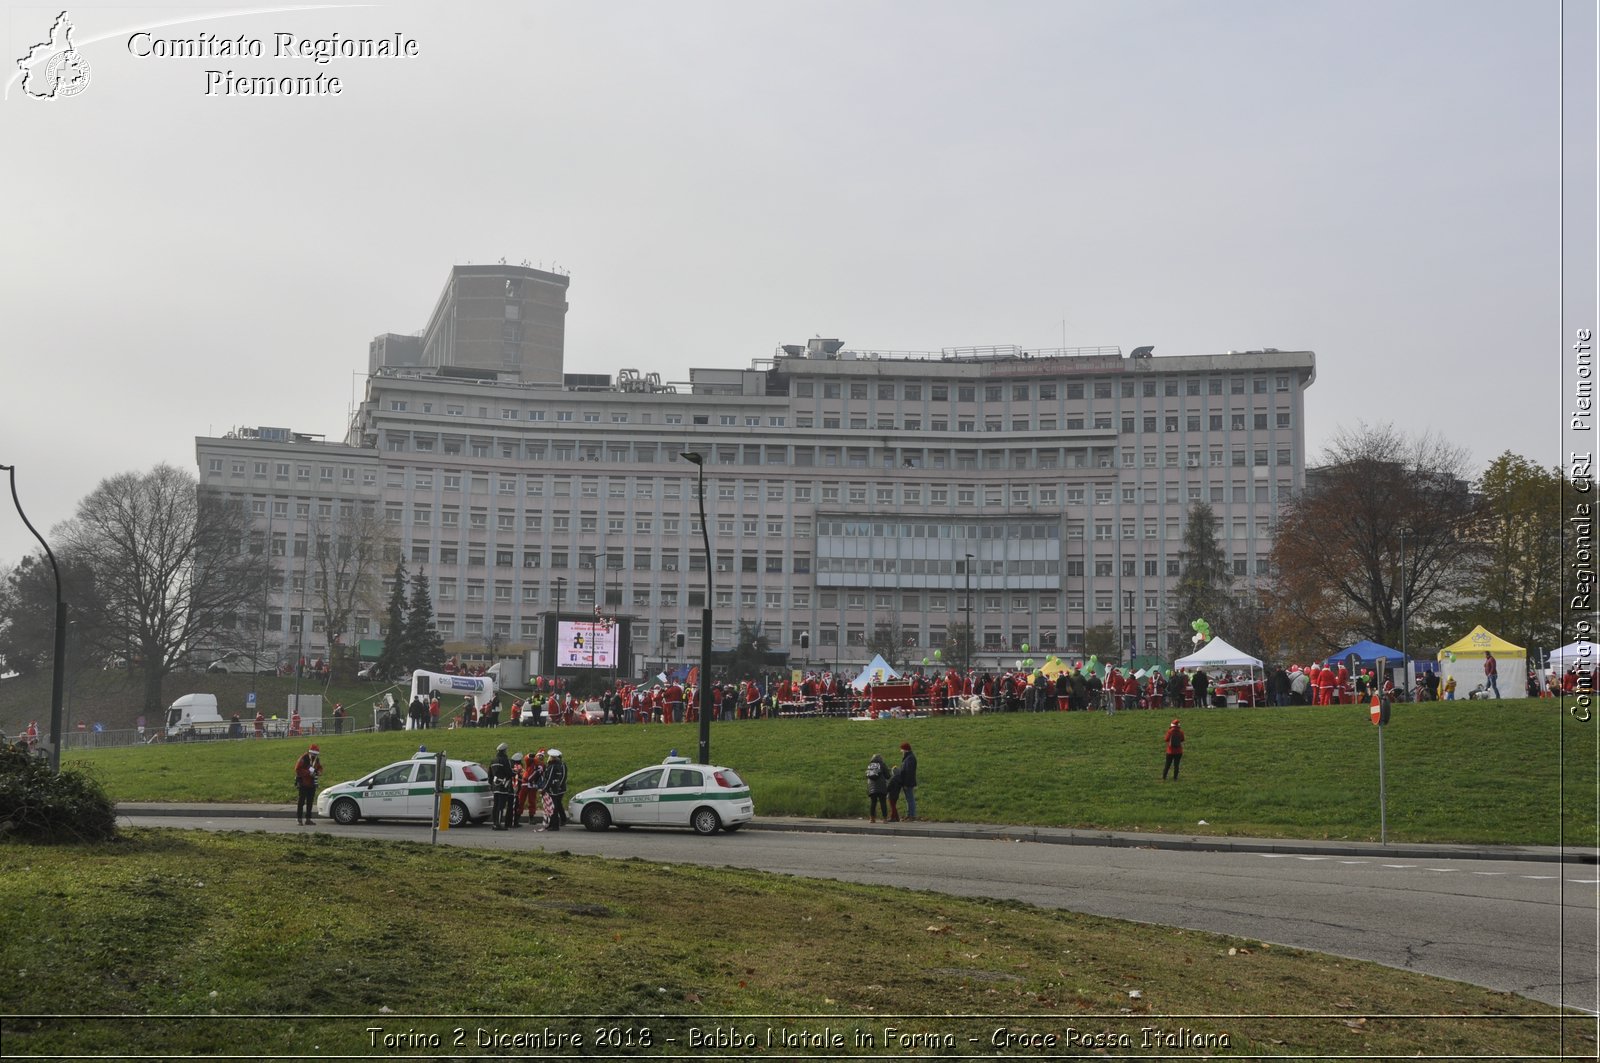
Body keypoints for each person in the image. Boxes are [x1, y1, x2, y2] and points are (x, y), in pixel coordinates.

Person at [489, 743, 515, 830]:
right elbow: (508, 772)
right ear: (504, 751)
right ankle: (498, 824)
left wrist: (491, 785)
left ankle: (494, 823)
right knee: (501, 806)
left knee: (495, 805)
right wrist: (515, 773)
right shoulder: (505, 760)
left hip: (495, 786)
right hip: (503, 786)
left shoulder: (493, 760)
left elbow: (490, 774)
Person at [294, 744, 322, 824]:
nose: (315, 755)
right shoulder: (303, 758)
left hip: (312, 783)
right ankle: (299, 819)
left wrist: (319, 771)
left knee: (310, 802)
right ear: (310, 753)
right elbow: (297, 769)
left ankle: (308, 819)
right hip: (303, 783)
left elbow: (319, 767)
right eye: (314, 754)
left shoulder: (316, 759)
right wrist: (308, 773)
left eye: (316, 754)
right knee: (301, 802)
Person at [542, 749, 568, 830]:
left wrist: (545, 788)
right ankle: (551, 823)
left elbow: (550, 779)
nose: (548, 758)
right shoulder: (552, 765)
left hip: (553, 789)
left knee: (553, 807)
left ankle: (555, 825)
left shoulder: (553, 766)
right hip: (553, 789)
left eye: (550, 756)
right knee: (552, 807)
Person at [893, 742, 918, 821]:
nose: (901, 751)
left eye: (902, 749)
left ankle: (912, 815)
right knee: (908, 799)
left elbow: (909, 772)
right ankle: (909, 815)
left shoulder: (909, 758)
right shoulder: (909, 757)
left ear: (905, 750)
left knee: (910, 799)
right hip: (907, 782)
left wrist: (906, 783)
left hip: (908, 783)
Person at [865, 753, 890, 823]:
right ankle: (885, 819)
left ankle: (872, 819)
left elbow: (867, 775)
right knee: (883, 802)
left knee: (873, 802)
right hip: (881, 786)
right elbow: (888, 776)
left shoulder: (870, 765)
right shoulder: (882, 764)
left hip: (871, 786)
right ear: (880, 758)